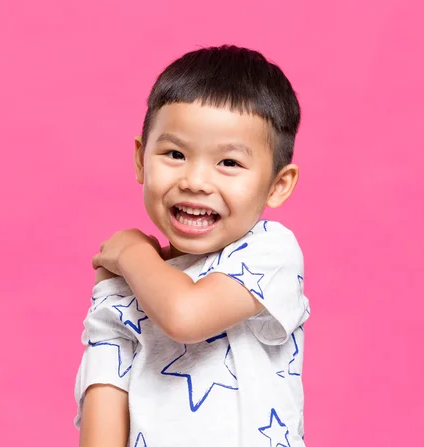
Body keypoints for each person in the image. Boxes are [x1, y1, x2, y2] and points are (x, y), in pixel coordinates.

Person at [74, 44, 310, 447]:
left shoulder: (269, 251)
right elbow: (104, 395)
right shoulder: (125, 281)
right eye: (175, 154)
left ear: (277, 184)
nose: (196, 181)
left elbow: (186, 315)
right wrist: (123, 274)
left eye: (229, 163)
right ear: (140, 159)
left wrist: (132, 252)